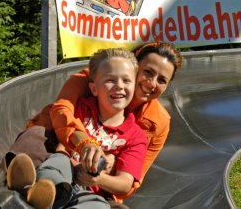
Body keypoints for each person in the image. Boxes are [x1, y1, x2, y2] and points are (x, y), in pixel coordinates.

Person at [0, 47, 148, 209]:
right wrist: (74, 163)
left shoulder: (136, 136)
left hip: (90, 191)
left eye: (126, 80)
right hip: (63, 173)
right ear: (94, 89)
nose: (119, 86)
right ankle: (38, 194)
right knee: (54, 166)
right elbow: (62, 142)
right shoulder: (81, 109)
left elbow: (125, 184)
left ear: (134, 86)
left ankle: (40, 199)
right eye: (110, 80)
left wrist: (97, 179)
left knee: (99, 206)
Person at [27, 41, 183, 204]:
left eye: (162, 80)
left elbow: (131, 181)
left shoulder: (157, 123)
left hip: (99, 187)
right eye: (148, 72)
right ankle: (24, 182)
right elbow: (61, 110)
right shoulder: (95, 79)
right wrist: (84, 143)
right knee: (36, 139)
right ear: (133, 67)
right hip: (57, 152)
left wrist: (113, 164)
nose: (151, 83)